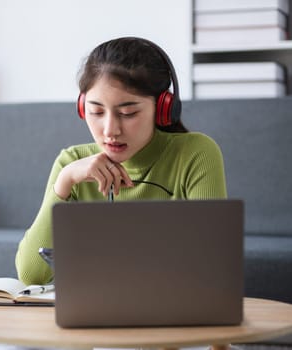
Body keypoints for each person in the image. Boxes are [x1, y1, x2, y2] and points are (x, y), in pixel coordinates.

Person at [15, 37, 227, 285]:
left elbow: (212, 266)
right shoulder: (72, 164)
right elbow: (32, 276)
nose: (110, 130)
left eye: (128, 113)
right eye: (96, 112)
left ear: (163, 109)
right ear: (83, 108)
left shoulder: (196, 154)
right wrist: (64, 183)